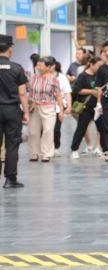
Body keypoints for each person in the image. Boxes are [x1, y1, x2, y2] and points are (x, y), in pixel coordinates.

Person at [0, 35, 29, 188]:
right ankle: (10, 179)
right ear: (10, 49)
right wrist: (26, 112)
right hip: (12, 110)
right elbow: (22, 93)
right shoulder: (17, 68)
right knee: (12, 145)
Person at [28, 56, 64, 162]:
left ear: (48, 67)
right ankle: (34, 152)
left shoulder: (54, 79)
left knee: (48, 130)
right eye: (37, 64)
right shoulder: (34, 77)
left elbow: (58, 96)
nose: (38, 67)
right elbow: (30, 93)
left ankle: (46, 153)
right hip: (34, 107)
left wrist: (61, 110)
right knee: (33, 131)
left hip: (48, 107)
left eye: (40, 65)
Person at [69, 54, 102, 159]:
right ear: (91, 65)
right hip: (86, 107)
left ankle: (103, 149)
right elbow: (77, 90)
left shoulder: (100, 75)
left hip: (98, 106)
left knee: (102, 128)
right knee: (81, 128)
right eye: (97, 66)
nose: (99, 68)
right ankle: (74, 150)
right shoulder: (83, 76)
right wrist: (92, 92)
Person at [52, 60, 72, 155]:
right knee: (45, 129)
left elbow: (67, 92)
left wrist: (69, 106)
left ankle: (56, 147)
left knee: (56, 128)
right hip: (45, 106)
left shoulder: (62, 77)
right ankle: (46, 148)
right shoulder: (42, 76)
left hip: (59, 106)